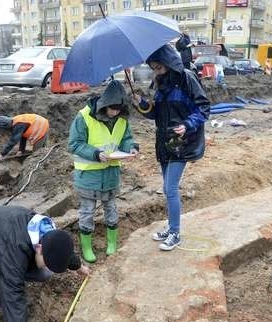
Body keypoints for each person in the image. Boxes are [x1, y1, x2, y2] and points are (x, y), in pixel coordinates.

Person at [132, 44, 210, 251]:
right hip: (164, 142)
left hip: (182, 142)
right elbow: (156, 114)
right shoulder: (160, 84)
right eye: (153, 68)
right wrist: (141, 104)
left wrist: (187, 125)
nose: (156, 72)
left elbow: (203, 108)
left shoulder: (186, 78)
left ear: (168, 63)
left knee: (171, 188)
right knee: (167, 189)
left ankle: (175, 233)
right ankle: (171, 227)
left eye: (159, 67)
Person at [68, 80, 139, 263]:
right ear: (104, 104)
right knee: (87, 211)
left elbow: (126, 138)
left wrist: (131, 147)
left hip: (110, 174)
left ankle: (112, 244)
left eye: (118, 109)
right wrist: (95, 153)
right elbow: (75, 144)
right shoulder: (84, 117)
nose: (115, 112)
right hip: (88, 175)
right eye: (112, 109)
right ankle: (86, 247)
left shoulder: (121, 119)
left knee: (111, 209)